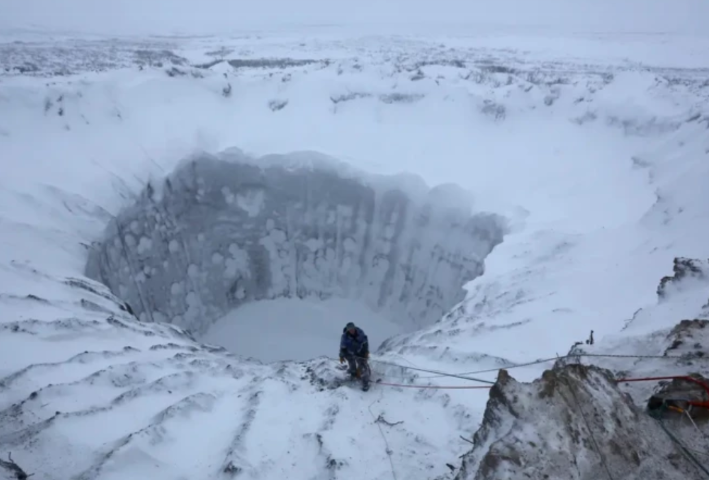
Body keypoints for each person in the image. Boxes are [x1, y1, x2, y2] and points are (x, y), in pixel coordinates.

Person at [339, 322, 370, 390]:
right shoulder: (345, 337)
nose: (352, 331)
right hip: (350, 352)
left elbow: (365, 343)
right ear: (347, 330)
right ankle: (353, 373)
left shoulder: (360, 333)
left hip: (360, 351)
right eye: (350, 330)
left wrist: (366, 351)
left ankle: (365, 382)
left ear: (354, 328)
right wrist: (341, 356)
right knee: (351, 362)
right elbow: (342, 347)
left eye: (352, 329)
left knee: (363, 365)